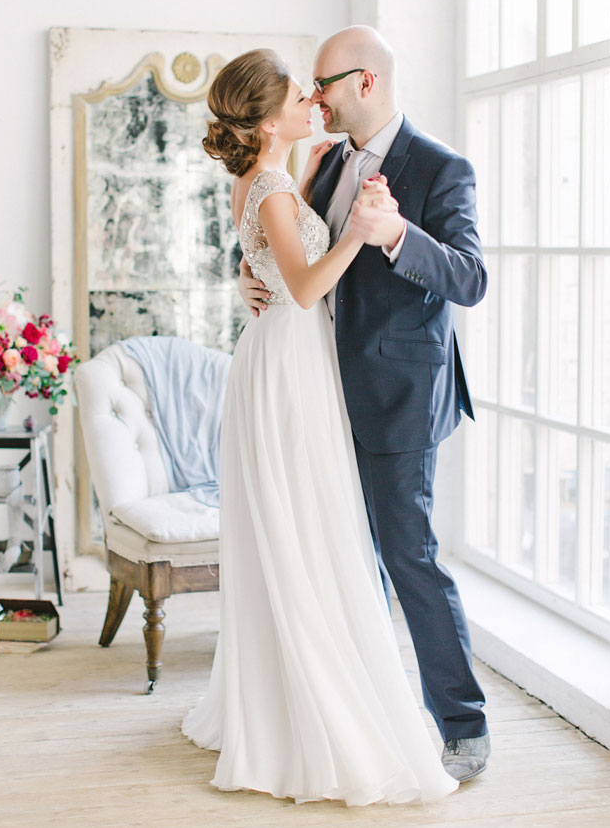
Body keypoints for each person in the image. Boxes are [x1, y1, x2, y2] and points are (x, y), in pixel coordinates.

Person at [182, 47, 458, 806]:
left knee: (307, 527)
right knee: (305, 528)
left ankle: (292, 696)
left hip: (289, 361)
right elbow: (302, 287)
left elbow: (274, 250)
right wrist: (362, 233)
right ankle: (307, 711)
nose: (315, 100)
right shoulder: (269, 182)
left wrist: (265, 262)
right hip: (288, 364)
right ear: (272, 118)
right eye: (302, 94)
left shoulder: (281, 175)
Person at [239, 26, 491, 783]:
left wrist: (396, 234)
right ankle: (369, 715)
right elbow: (282, 239)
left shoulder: (443, 167)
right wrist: (247, 279)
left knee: (407, 557)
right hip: (315, 394)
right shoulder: (319, 164)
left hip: (400, 397)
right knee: (344, 559)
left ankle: (463, 725)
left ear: (367, 82)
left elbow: (471, 279)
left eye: (324, 83)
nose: (313, 97)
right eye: (305, 88)